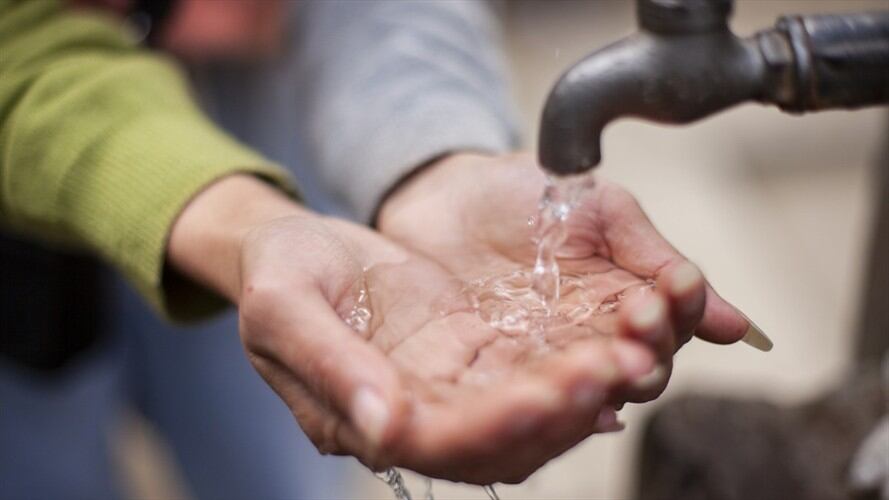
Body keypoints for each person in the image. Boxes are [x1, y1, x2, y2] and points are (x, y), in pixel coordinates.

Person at [0, 0, 762, 493]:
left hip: (246, 60)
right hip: (28, 125)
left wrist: (429, 160)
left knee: (274, 462)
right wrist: (227, 213)